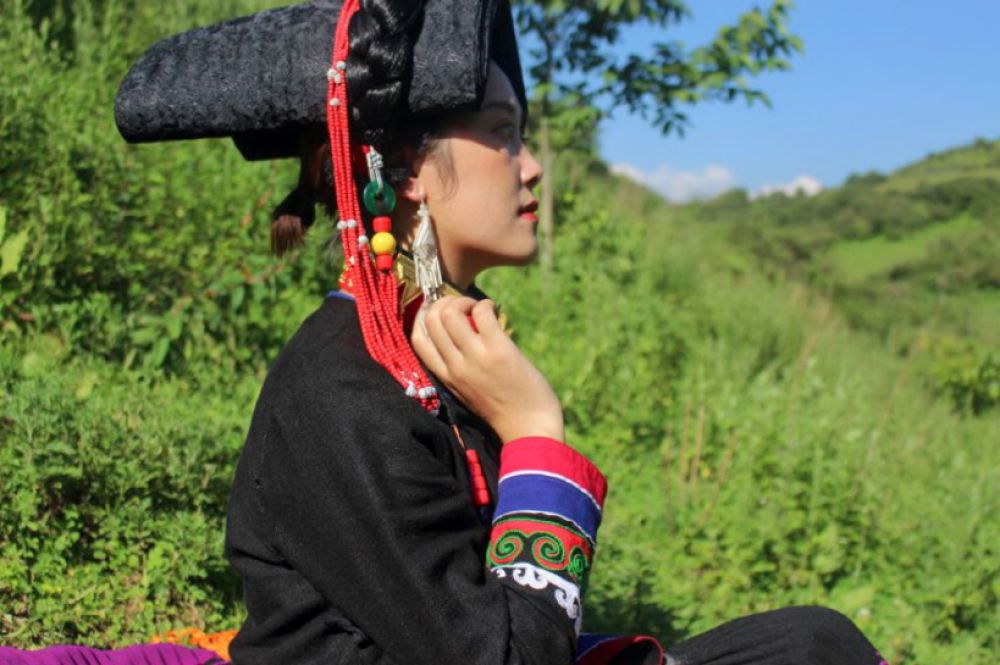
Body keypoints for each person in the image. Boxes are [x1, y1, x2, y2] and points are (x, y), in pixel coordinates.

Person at [0, 1, 888, 664]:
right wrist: (536, 434)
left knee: (814, 641)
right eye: (503, 135)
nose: (532, 167)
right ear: (409, 172)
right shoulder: (344, 389)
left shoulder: (426, 347)